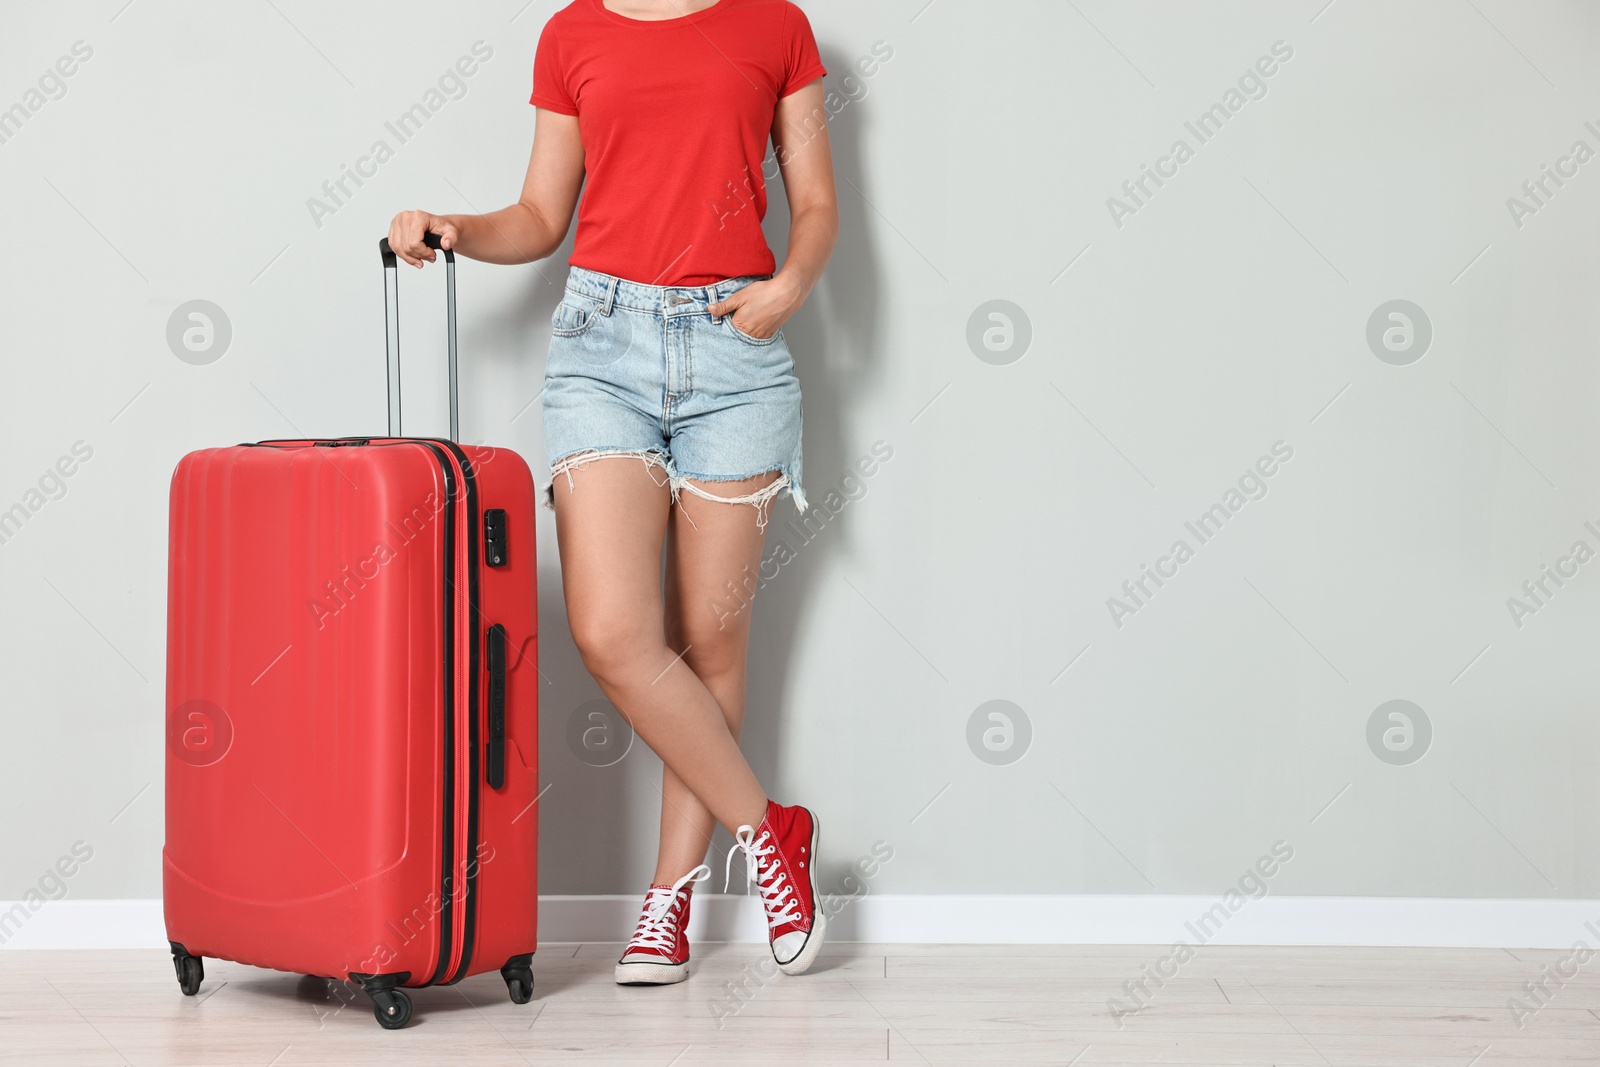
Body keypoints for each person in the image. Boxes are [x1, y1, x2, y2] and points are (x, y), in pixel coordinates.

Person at [385, 0, 837, 985]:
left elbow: (816, 205)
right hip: (602, 347)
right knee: (613, 632)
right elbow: (541, 216)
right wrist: (456, 226)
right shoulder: (572, 33)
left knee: (707, 642)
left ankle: (666, 902)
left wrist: (790, 285)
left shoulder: (777, 26)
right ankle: (773, 827)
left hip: (737, 347)